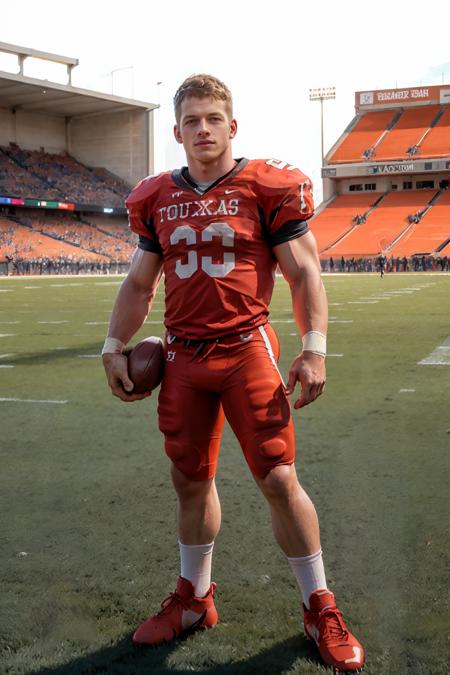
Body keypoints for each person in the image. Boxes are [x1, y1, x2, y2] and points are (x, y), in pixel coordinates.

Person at [102, 74, 365, 673]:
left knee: (277, 475)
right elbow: (141, 282)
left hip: (246, 348)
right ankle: (195, 598)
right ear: (176, 131)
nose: (202, 129)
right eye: (191, 120)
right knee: (190, 481)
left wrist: (315, 348)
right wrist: (114, 345)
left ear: (232, 125)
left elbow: (303, 275)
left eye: (212, 119)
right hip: (183, 357)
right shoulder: (156, 197)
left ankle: (318, 603)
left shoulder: (264, 185)